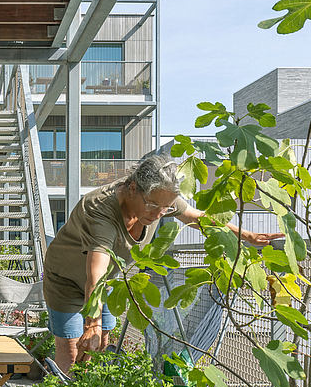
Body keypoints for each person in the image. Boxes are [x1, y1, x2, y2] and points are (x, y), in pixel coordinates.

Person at [42, 154, 282, 373]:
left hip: (103, 284)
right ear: (133, 187)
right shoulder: (100, 209)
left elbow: (198, 218)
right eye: (153, 205)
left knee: (101, 345)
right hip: (67, 280)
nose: (159, 214)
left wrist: (246, 235)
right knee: (73, 352)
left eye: (166, 207)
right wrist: (91, 322)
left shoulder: (159, 197)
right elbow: (96, 270)